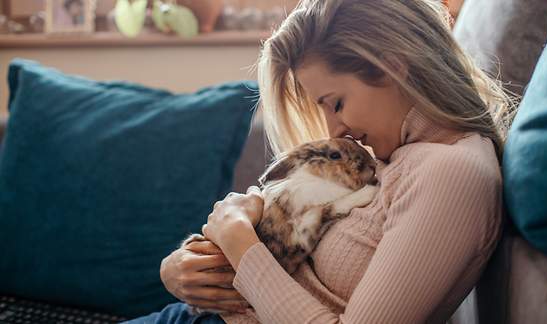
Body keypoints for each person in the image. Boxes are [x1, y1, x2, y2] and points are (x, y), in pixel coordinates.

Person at [124, 0, 515, 323]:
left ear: (395, 64)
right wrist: (179, 270)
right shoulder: (390, 155)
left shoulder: (451, 172)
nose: (333, 129)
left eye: (337, 103)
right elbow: (278, 218)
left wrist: (240, 245)